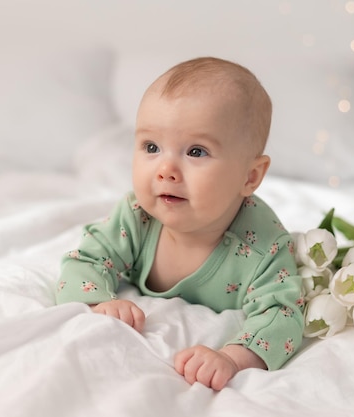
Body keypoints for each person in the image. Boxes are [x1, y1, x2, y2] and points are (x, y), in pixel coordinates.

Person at [55, 57, 304, 390]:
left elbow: (283, 315)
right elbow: (85, 260)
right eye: (151, 147)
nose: (166, 169)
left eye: (197, 152)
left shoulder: (263, 246)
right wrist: (101, 302)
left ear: (250, 176)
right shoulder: (137, 215)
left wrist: (232, 357)